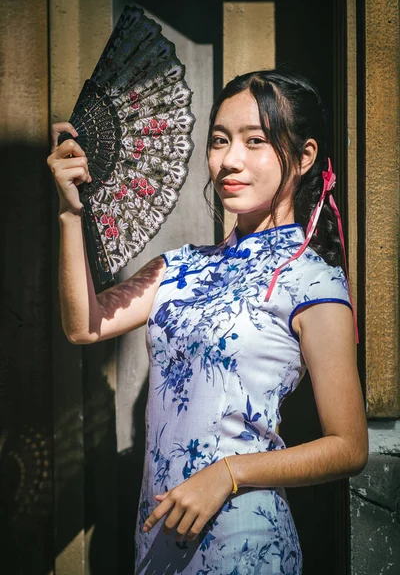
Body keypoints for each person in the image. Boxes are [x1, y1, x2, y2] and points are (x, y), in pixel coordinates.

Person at [47, 69, 368, 574]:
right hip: (159, 538)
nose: (228, 161)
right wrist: (70, 213)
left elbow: (349, 447)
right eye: (220, 141)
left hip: (245, 539)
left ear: (305, 157)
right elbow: (85, 325)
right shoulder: (179, 266)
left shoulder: (311, 280)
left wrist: (228, 474)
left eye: (255, 141)